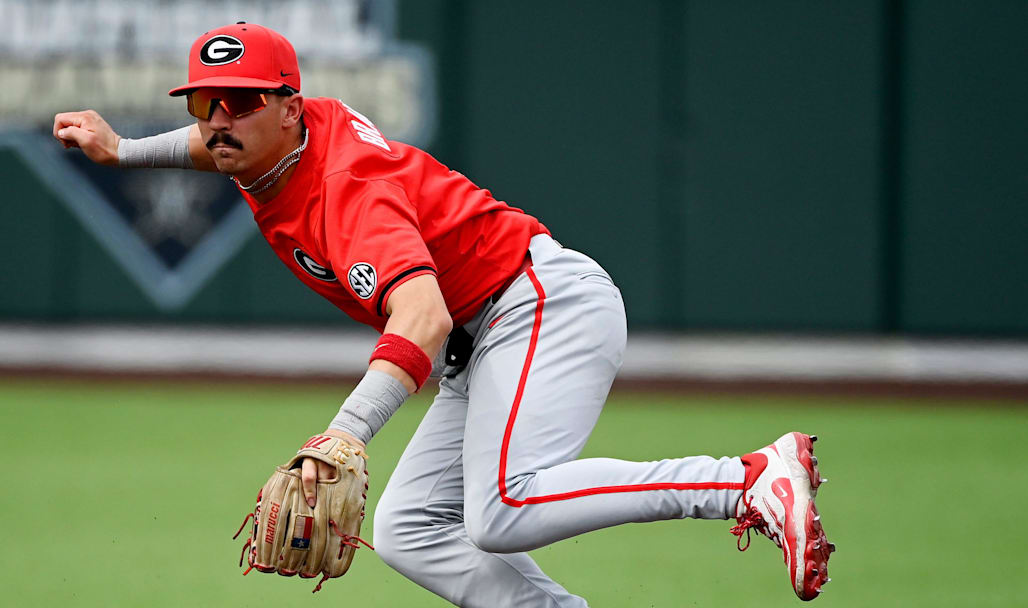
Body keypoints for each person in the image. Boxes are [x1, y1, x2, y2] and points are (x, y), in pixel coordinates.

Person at [53, 22, 833, 606]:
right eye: (203, 102)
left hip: (537, 305)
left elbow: (420, 317)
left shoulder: (346, 191)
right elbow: (216, 144)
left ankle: (748, 482)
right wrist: (122, 151)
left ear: (289, 109)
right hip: (487, 329)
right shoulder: (279, 136)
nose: (218, 119)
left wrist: (346, 433)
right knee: (409, 529)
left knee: (504, 508)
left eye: (241, 101)